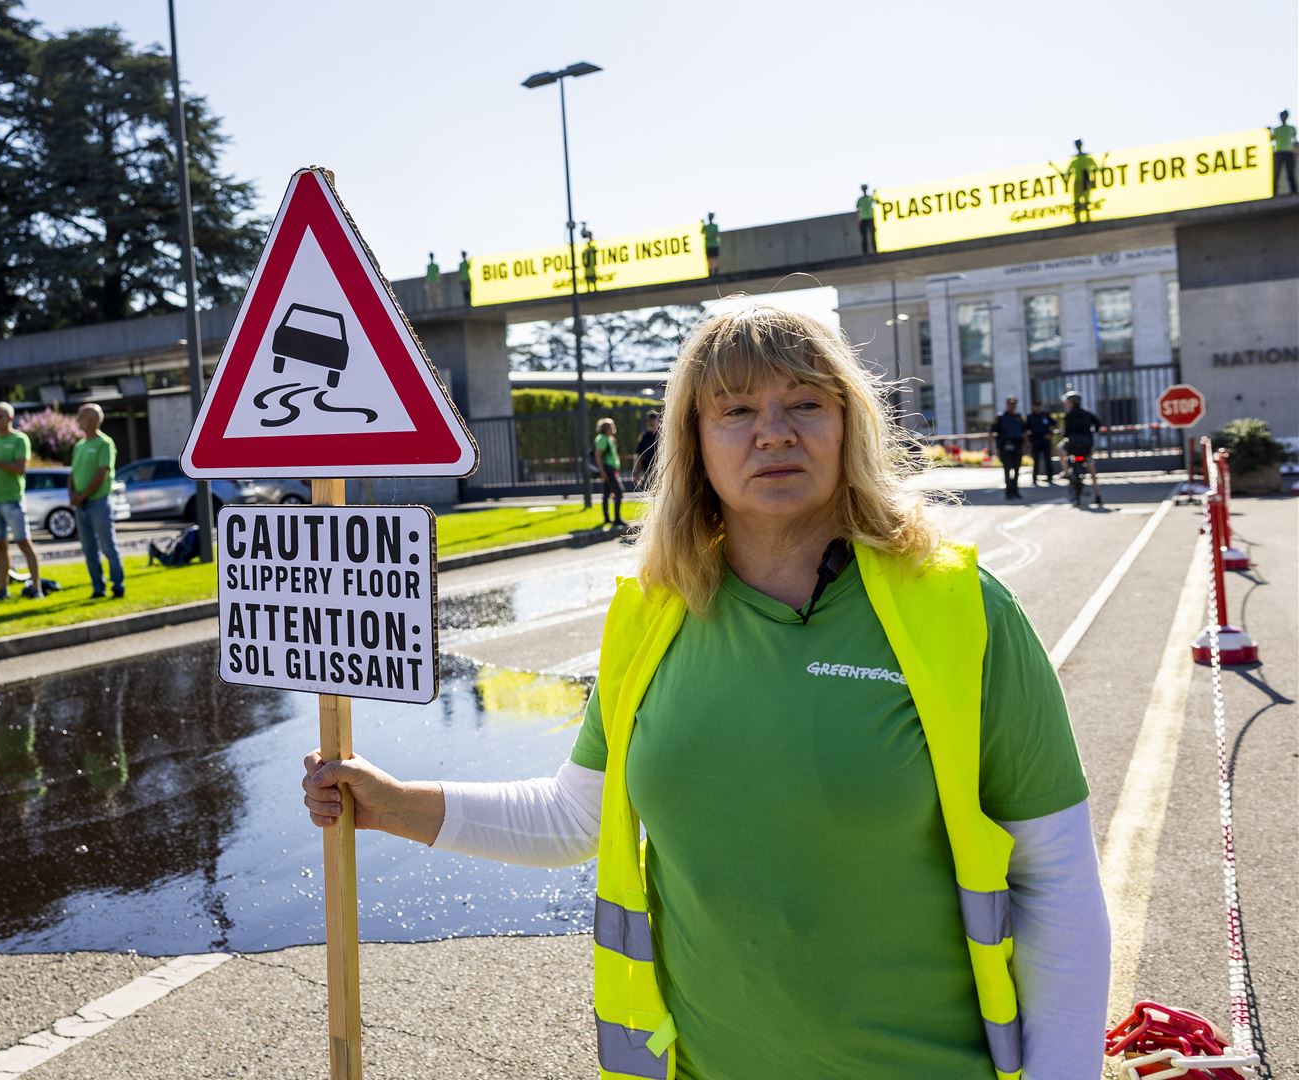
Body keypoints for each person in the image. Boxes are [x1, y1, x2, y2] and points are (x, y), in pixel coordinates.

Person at [303, 302, 1110, 1080]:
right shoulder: (651, 617)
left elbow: (1059, 884)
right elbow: (572, 816)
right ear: (693, 440)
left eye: (805, 402)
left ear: (848, 424)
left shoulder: (964, 613)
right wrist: (390, 803)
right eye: (735, 410)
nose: (775, 432)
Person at [0, 402, 44, 600]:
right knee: (0, 547)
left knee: (24, 543)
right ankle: (3, 589)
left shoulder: (19, 439)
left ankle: (36, 587)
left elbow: (20, 468)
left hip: (13, 500)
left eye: (0, 416)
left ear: (9, 418)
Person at [70, 403, 124, 599]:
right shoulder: (79, 445)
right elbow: (73, 473)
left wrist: (82, 495)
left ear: (93, 420)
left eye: (81, 416)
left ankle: (117, 585)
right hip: (81, 506)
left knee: (108, 546)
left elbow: (101, 474)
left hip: (99, 503)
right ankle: (98, 588)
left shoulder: (105, 444)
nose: (77, 420)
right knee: (89, 549)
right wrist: (73, 496)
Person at [1060, 389, 1108, 508]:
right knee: (1091, 467)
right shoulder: (1087, 413)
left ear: (1071, 403)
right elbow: (1098, 425)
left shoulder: (1069, 415)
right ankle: (1098, 494)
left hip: (1073, 447)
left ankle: (1066, 471)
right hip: (1087, 446)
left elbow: (1066, 433)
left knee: (1060, 449)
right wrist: (1091, 432)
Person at [991, 396, 1028, 499]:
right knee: (1007, 469)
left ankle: (1015, 491)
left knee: (1016, 469)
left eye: (1014, 404)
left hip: (1017, 445)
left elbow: (1024, 432)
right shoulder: (1000, 417)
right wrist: (996, 448)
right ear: (1007, 405)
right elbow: (994, 432)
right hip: (1005, 446)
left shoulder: (1018, 417)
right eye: (1010, 404)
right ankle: (1009, 492)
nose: (1012, 406)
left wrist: (1026, 445)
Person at [593, 417, 625, 528]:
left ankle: (607, 518)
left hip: (612, 469)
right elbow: (598, 456)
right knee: (619, 492)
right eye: (612, 427)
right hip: (607, 469)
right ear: (607, 428)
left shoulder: (610, 438)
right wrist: (602, 472)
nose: (614, 428)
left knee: (607, 493)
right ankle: (616, 519)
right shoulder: (602, 438)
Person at [1061, 139, 1104, 224]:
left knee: (1086, 200)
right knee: (1077, 202)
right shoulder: (1074, 160)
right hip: (1077, 182)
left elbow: (1097, 169)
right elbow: (1067, 173)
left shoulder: (1087, 158)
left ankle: (1087, 218)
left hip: (1086, 182)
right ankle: (1077, 220)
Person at [1026, 398, 1056, 485]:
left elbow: (1054, 424)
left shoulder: (1045, 415)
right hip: (1035, 440)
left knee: (1047, 459)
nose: (1037, 408)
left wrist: (1050, 434)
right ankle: (1034, 478)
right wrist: (1028, 441)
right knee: (1036, 460)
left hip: (1045, 440)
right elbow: (1026, 429)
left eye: (1038, 406)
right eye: (1035, 406)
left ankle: (1050, 477)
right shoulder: (1030, 417)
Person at [1271, 109, 1297, 197]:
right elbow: (1271, 139)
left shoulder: (1291, 128)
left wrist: (1296, 152)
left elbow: (1295, 140)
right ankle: (1274, 192)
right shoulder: (1276, 129)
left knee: (1290, 172)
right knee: (1276, 173)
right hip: (1278, 152)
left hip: (1289, 152)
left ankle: (1294, 191)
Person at [633, 409, 661, 488]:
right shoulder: (644, 436)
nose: (652, 422)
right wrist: (636, 472)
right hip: (648, 468)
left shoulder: (663, 435)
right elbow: (639, 454)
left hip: (662, 468)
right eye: (650, 420)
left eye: (653, 419)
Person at [856, 183, 877, 254]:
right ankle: (865, 252)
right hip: (864, 219)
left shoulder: (870, 197)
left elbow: (877, 202)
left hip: (870, 218)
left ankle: (875, 250)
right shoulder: (860, 199)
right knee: (864, 237)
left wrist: (875, 195)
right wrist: (858, 220)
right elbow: (858, 210)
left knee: (873, 236)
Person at [581, 225, 599, 293]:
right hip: (587, 267)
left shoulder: (592, 248)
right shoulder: (585, 249)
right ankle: (589, 289)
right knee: (588, 277)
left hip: (591, 267)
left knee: (592, 276)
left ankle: (594, 288)